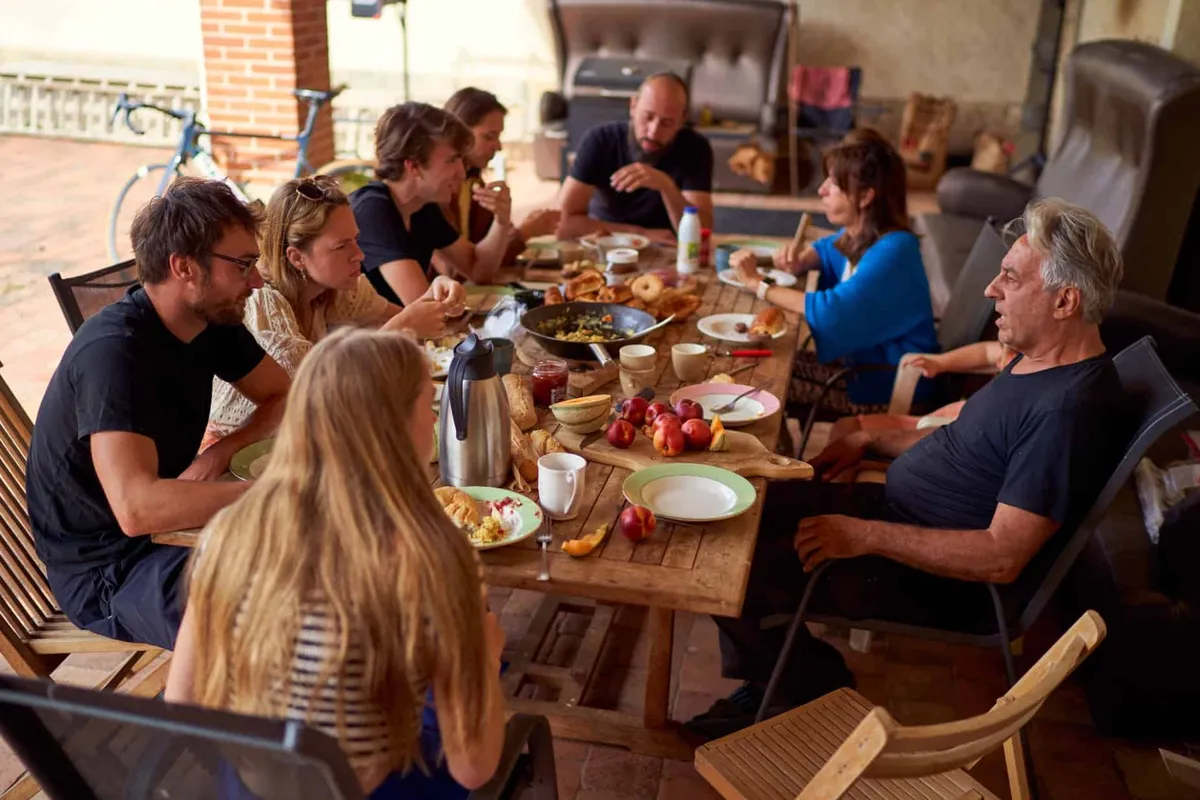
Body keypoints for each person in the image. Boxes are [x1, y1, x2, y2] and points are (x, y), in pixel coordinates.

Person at [688, 198, 1131, 739]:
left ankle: (809, 690)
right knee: (731, 504)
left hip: (931, 576)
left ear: (1065, 301)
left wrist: (862, 536)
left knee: (724, 568)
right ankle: (775, 680)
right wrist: (875, 441)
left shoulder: (1066, 411)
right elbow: (967, 440)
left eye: (1010, 279)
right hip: (894, 516)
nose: (992, 289)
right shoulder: (1036, 359)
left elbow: (1001, 557)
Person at [166, 329, 506, 798]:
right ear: (391, 427)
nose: (432, 417)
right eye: (426, 403)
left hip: (251, 787)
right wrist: (485, 661)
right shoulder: (431, 559)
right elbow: (474, 766)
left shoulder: (228, 534)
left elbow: (182, 704)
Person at [25, 178, 290, 651]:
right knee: (271, 616)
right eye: (244, 264)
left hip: (171, 532)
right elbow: (137, 509)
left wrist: (217, 456)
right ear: (184, 267)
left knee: (321, 561)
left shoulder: (209, 320)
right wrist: (264, 492)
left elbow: (281, 395)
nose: (257, 280)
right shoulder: (114, 356)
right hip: (111, 572)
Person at [206, 175, 466, 442]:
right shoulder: (264, 301)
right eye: (342, 246)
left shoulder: (334, 288)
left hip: (297, 442)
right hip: (241, 450)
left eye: (355, 239)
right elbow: (310, 396)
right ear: (297, 257)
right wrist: (400, 329)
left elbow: (405, 315)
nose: (359, 254)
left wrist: (438, 293)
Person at [731, 130, 939, 412]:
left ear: (866, 196)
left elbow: (832, 310)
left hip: (887, 383)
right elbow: (832, 246)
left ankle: (776, 455)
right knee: (752, 361)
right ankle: (779, 452)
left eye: (834, 183)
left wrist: (758, 284)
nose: (822, 190)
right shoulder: (867, 235)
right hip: (862, 365)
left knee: (756, 383)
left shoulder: (895, 250)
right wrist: (805, 258)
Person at [351, 102, 512, 307]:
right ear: (414, 165)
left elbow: (478, 270)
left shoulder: (422, 206)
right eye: (452, 160)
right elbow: (424, 308)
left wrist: (502, 220)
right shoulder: (373, 210)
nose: (462, 173)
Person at [557, 72, 714, 242]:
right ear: (633, 106)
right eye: (648, 117)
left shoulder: (695, 147)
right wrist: (639, 234)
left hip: (667, 247)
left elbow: (701, 233)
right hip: (605, 241)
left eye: (667, 123)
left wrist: (666, 186)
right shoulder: (600, 141)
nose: (653, 132)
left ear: (682, 120)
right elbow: (562, 223)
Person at [441, 87, 559, 262]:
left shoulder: (473, 183)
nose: (498, 147)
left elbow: (488, 257)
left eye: (498, 136)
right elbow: (468, 266)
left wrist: (514, 227)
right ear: (458, 134)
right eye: (489, 137)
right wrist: (523, 233)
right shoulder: (437, 193)